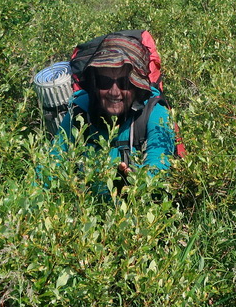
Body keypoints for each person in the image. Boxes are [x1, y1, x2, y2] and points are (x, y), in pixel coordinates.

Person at [48, 33, 176, 197]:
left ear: (137, 85)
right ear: (94, 83)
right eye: (105, 82)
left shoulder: (155, 113)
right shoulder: (79, 111)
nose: (114, 92)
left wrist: (132, 186)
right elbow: (49, 168)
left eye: (124, 83)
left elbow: (158, 167)